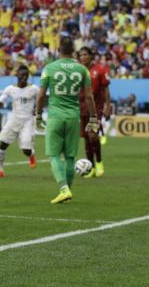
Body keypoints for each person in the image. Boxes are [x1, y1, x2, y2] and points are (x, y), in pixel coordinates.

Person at [36, 36, 98, 204]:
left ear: (58, 50)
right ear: (73, 52)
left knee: (54, 155)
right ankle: (68, 191)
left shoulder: (49, 68)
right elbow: (89, 97)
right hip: (73, 118)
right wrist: (93, 118)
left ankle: (63, 189)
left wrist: (38, 115)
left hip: (55, 117)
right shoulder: (82, 70)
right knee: (70, 157)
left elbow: (41, 95)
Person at [0, 65, 39, 178]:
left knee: (26, 150)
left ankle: (31, 155)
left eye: (26, 75)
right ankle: (0, 170)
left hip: (27, 122)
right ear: (17, 75)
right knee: (2, 144)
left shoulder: (34, 89)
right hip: (14, 120)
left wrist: (37, 108)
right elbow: (1, 101)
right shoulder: (10, 89)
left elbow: (43, 99)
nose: (24, 77)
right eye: (22, 75)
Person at [78, 47, 111, 178]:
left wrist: (108, 105)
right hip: (82, 107)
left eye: (86, 54)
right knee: (86, 138)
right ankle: (90, 167)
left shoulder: (100, 70)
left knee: (92, 135)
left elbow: (106, 89)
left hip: (96, 107)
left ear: (91, 56)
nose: (83, 57)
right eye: (81, 55)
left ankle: (99, 162)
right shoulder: (77, 71)